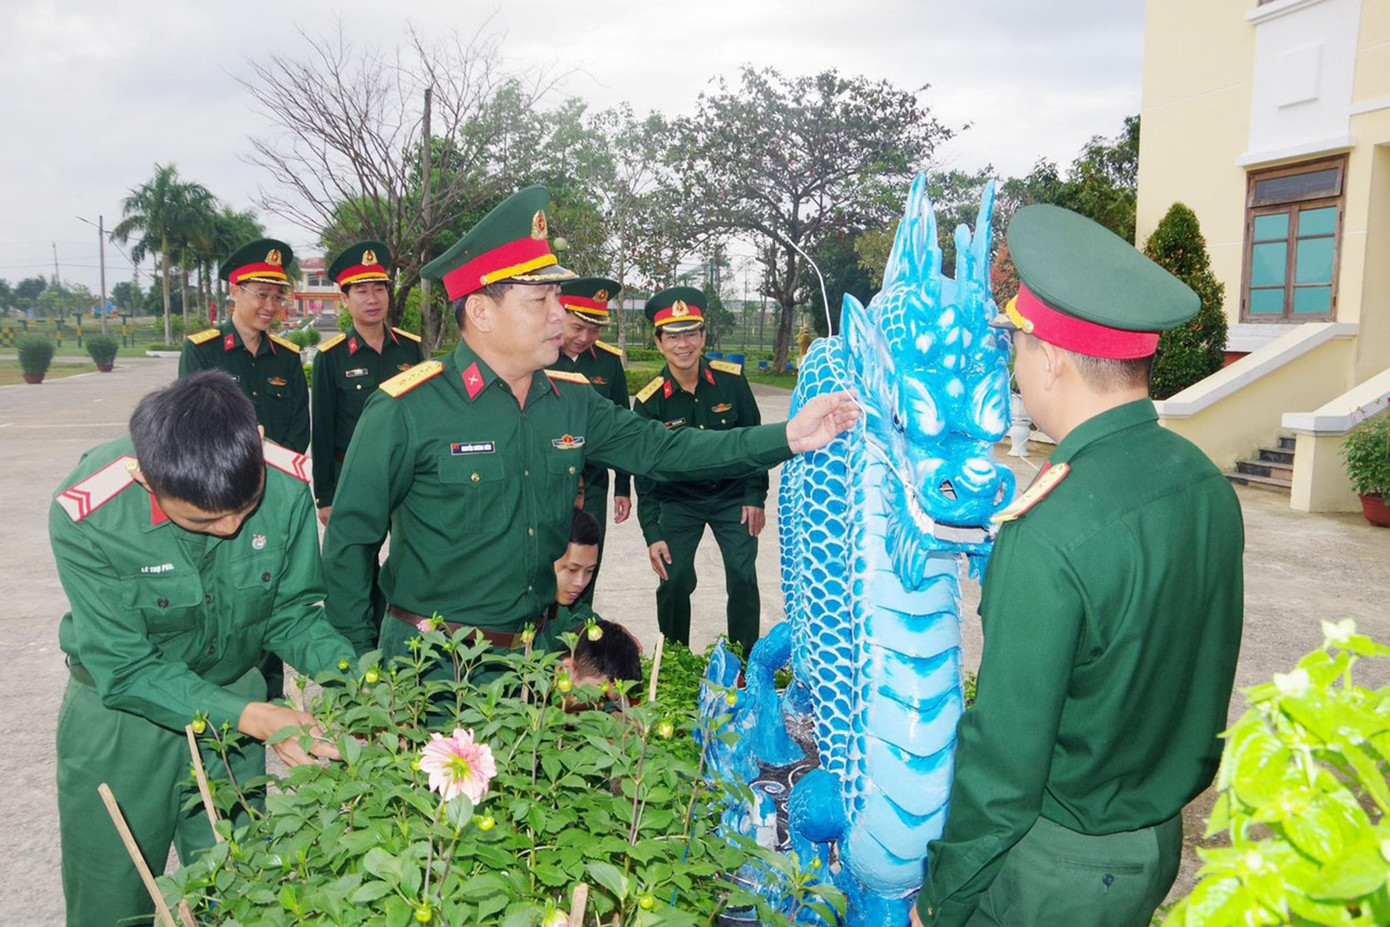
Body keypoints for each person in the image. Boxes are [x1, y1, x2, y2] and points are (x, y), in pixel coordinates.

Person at [320, 185, 859, 664]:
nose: (560, 314)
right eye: (541, 299)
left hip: (535, 665)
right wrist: (359, 667)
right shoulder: (407, 408)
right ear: (481, 311)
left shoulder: (571, 401)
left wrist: (789, 436)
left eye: (558, 296)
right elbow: (349, 543)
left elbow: (668, 451)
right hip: (432, 670)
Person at [912, 205, 1245, 926]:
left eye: (1018, 348)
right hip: (1153, 844)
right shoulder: (1202, 480)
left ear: (1052, 359)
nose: (1014, 366)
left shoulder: (1049, 526)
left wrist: (943, 895)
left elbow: (1005, 767)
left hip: (1053, 868)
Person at [50, 372, 353, 927]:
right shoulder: (90, 515)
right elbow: (126, 668)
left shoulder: (284, 484)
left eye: (245, 505)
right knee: (112, 893)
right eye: (206, 519)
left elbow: (290, 612)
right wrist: (257, 716)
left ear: (257, 442)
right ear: (146, 479)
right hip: (122, 721)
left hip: (235, 694)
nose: (234, 528)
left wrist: (358, 683)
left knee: (238, 885)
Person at [632, 286, 766, 657]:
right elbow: (643, 473)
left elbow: (754, 440)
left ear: (704, 336)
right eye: (673, 336)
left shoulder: (731, 381)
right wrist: (652, 532)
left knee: (742, 578)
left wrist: (755, 496)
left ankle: (744, 663)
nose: (683, 344)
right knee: (673, 582)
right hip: (679, 501)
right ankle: (675, 661)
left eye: (691, 333)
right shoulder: (649, 401)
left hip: (732, 497)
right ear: (658, 342)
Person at [311, 240, 425, 524]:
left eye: (379, 289)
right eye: (361, 291)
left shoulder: (411, 350)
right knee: (358, 564)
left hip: (407, 476)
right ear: (346, 300)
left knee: (409, 559)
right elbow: (322, 429)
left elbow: (426, 415)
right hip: (352, 477)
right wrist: (325, 496)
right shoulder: (331, 357)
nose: (372, 299)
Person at [180, 238, 309, 453]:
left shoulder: (287, 357)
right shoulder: (202, 351)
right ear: (236, 292)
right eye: (262, 294)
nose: (270, 306)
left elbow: (300, 425)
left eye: (278, 297)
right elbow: (193, 424)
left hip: (277, 476)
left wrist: (277, 467)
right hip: (223, 476)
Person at [549, 276, 632, 604]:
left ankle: (580, 634)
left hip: (594, 480)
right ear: (561, 314)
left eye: (594, 329)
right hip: (548, 476)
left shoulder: (609, 363)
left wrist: (623, 487)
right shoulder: (540, 354)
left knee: (585, 562)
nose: (585, 337)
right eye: (578, 326)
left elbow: (624, 425)